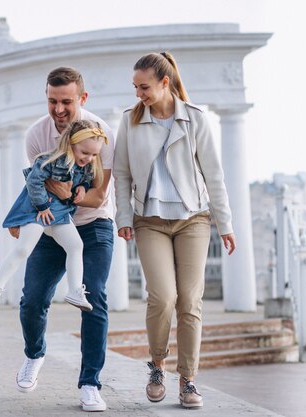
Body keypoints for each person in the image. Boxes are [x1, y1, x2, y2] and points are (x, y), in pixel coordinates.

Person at [113, 52, 236, 409]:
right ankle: (156, 364)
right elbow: (121, 174)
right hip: (149, 220)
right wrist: (124, 217)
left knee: (190, 300)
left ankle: (188, 380)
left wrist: (225, 224)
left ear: (165, 82)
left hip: (193, 220)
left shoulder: (194, 119)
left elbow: (214, 176)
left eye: (145, 87)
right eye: (135, 87)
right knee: (163, 297)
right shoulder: (130, 121)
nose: (139, 94)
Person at [12, 67, 115, 412]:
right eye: (52, 101)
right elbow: (40, 191)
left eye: (66, 102)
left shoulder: (102, 134)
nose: (58, 109)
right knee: (32, 299)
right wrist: (23, 219)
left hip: (94, 224)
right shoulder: (35, 136)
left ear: (82, 99)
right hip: (53, 225)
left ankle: (90, 383)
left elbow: (98, 196)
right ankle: (34, 353)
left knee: (94, 296)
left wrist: (67, 194)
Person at [0, 119, 107, 313]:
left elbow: (86, 181)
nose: (89, 158)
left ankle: (75, 290)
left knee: (76, 245)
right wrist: (42, 206)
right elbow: (34, 181)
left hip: (59, 214)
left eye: (94, 154)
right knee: (24, 248)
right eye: (85, 152)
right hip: (38, 210)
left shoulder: (85, 167)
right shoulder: (50, 160)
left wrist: (82, 188)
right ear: (71, 145)